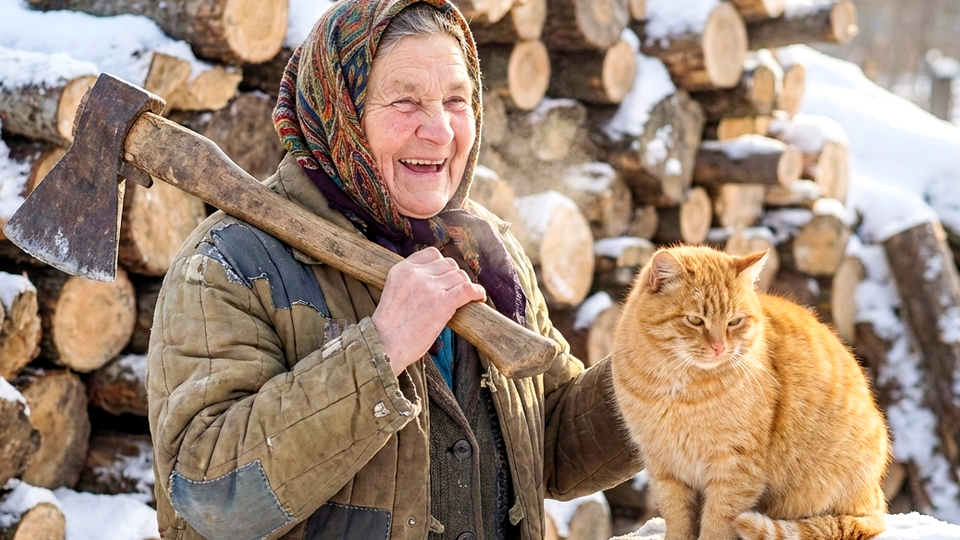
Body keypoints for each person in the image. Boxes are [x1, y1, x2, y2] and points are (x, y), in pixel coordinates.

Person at [146, 0, 643, 538]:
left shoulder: (486, 251)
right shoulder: (231, 265)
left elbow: (550, 446)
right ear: (339, 110)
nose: (440, 131)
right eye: (406, 101)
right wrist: (380, 349)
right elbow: (210, 498)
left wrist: (666, 382)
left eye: (457, 100)